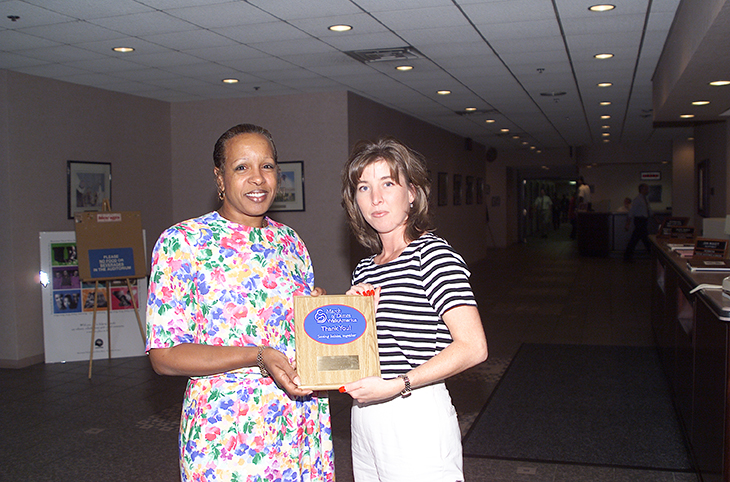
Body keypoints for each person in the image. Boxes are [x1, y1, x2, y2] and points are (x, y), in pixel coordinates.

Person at [145, 124, 335, 481]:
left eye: (267, 166)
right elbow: (165, 356)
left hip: (298, 418)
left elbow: (293, 331)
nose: (258, 179)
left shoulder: (290, 242)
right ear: (219, 178)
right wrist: (257, 355)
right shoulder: (183, 243)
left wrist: (317, 314)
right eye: (242, 167)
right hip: (229, 428)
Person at [340, 137, 488, 482]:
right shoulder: (366, 269)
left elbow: (474, 347)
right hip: (364, 417)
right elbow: (370, 349)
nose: (375, 198)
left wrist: (399, 384)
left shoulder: (432, 257)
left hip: (414, 412)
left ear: (412, 193)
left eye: (388, 184)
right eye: (364, 187)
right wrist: (347, 319)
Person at [624, 183, 652, 261]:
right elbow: (631, 212)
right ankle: (653, 255)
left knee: (636, 239)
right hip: (640, 221)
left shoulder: (645, 199)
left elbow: (649, 210)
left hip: (643, 221)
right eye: (646, 189)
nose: (647, 190)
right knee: (643, 239)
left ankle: (627, 256)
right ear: (641, 189)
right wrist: (627, 223)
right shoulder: (638, 199)